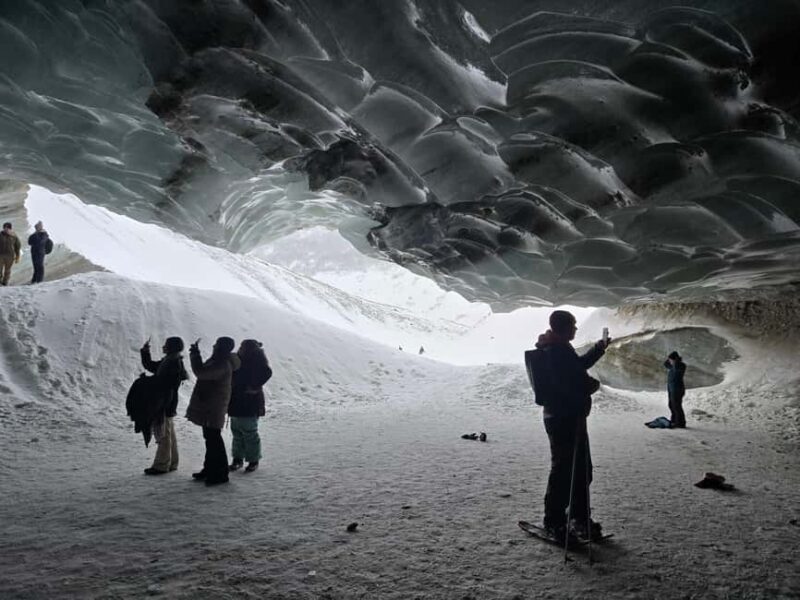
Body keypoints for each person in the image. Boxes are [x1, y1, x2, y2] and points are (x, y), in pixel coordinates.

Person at [528, 310, 610, 541]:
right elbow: (573, 381)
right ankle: (555, 522)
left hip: (565, 417)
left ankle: (577, 518)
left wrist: (599, 348)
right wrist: (590, 386)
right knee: (565, 471)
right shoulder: (557, 352)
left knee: (579, 469)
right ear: (563, 328)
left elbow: (577, 366)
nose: (576, 328)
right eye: (573, 325)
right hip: (565, 418)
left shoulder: (559, 348)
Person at [186, 337, 240, 486]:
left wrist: (195, 355)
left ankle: (220, 474)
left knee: (214, 440)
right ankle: (210, 469)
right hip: (210, 406)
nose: (214, 346)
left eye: (217, 344)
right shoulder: (219, 360)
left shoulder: (222, 364)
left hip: (213, 407)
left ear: (221, 347)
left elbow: (201, 373)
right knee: (211, 439)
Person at [140, 337, 189, 475]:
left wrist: (147, 381)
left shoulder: (172, 363)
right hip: (168, 401)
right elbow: (151, 366)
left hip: (165, 401)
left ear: (171, 347)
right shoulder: (171, 360)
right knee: (168, 432)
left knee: (163, 434)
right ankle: (172, 462)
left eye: (166, 344)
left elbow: (164, 383)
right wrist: (145, 352)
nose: (163, 346)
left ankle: (161, 465)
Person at [228, 339, 273, 473]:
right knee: (237, 433)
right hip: (236, 401)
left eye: (243, 347)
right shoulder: (239, 361)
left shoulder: (257, 363)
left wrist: (254, 387)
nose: (240, 349)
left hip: (249, 403)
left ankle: (253, 460)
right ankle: (238, 459)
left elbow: (267, 372)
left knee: (249, 433)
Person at [664, 351, 687, 428]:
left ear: (675, 360)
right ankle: (674, 420)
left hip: (678, 389)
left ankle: (681, 423)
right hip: (671, 389)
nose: (669, 361)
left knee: (677, 406)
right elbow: (665, 364)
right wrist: (669, 359)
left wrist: (676, 360)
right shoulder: (672, 366)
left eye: (671, 359)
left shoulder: (681, 366)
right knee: (671, 405)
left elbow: (676, 367)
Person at [0, 222, 21, 286]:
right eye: (5, 227)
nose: (6, 229)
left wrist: (18, 256)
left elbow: (18, 246)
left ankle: (5, 282)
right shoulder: (0, 235)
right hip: (0, 255)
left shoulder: (14, 236)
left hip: (10, 256)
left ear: (10, 228)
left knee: (7, 270)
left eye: (8, 227)